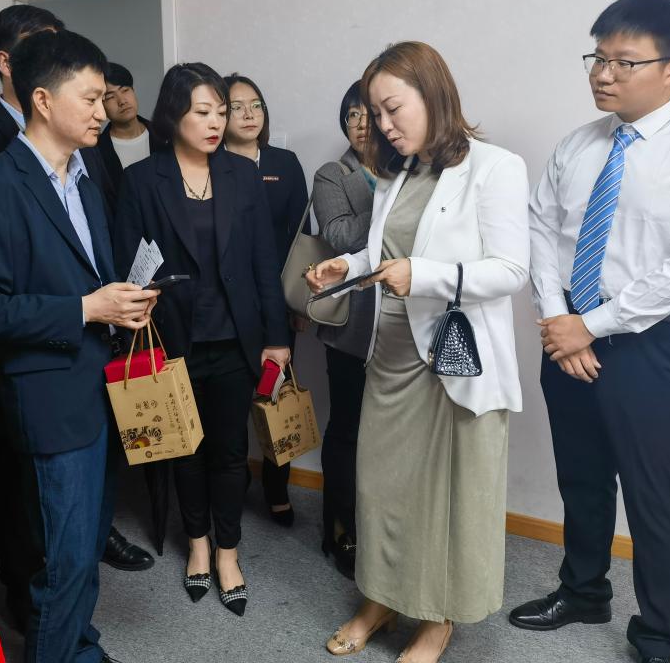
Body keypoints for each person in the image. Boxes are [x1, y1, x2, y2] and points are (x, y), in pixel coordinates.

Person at [513, 0, 670, 663]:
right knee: (581, 476)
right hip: (567, 330)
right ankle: (583, 592)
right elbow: (540, 231)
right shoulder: (578, 145)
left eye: (623, 61)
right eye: (597, 58)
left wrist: (589, 326)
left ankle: (657, 633)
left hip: (653, 342)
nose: (602, 74)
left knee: (654, 493)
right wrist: (558, 318)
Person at [308, 42, 529, 663]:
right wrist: (347, 264)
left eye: (392, 108)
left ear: (433, 94)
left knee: (447, 496)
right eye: (374, 113)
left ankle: (437, 619)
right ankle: (380, 598)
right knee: (382, 488)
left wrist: (425, 276)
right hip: (391, 353)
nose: (382, 124)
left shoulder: (495, 167)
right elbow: (387, 252)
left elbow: (510, 270)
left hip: (454, 362)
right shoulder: (399, 172)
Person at [0, 6, 153, 629]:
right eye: (90, 98)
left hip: (98, 383)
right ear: (43, 99)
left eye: (104, 97)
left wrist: (121, 302)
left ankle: (79, 643)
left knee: (84, 550)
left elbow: (88, 275)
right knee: (60, 559)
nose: (102, 110)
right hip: (46, 396)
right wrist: (87, 308)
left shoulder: (85, 178)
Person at [114, 63, 291, 616]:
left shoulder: (241, 175)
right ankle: (196, 545)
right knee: (184, 450)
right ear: (174, 116)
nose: (217, 122)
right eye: (203, 112)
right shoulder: (142, 180)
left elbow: (264, 263)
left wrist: (277, 336)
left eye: (222, 111)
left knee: (231, 453)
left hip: (236, 339)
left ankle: (228, 553)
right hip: (174, 340)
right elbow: (128, 267)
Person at [222, 73, 308, 527]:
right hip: (229, 308)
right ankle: (234, 481)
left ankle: (277, 487)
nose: (248, 114)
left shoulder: (284, 163)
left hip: (276, 306)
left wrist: (296, 303)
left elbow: (301, 237)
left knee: (277, 399)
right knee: (231, 404)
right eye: (236, 106)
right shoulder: (209, 165)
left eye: (255, 104)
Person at [312, 80, 377, 576]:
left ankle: (381, 530)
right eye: (351, 115)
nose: (360, 124)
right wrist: (392, 206)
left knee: (391, 434)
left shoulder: (415, 167)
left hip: (403, 322)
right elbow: (336, 235)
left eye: (368, 113)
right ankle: (340, 526)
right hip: (351, 323)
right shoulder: (333, 174)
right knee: (348, 428)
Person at [91, 62, 160, 212]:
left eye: (125, 90)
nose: (122, 101)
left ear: (133, 91)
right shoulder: (96, 151)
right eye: (110, 97)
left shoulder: (164, 136)